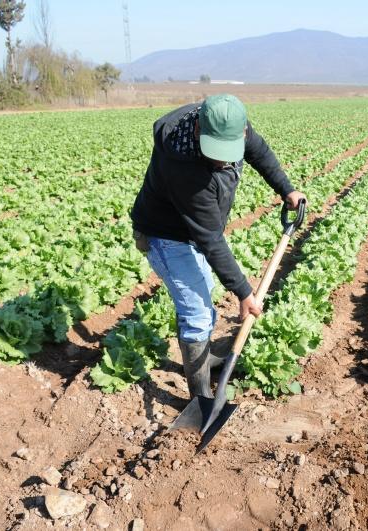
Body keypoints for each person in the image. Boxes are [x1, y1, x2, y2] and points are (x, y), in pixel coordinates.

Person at [130, 94, 305, 399]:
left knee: (204, 293)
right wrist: (243, 292)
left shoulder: (231, 122)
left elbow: (259, 151)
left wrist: (286, 189)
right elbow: (210, 238)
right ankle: (200, 397)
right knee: (197, 313)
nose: (223, 161)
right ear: (198, 130)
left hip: (191, 231)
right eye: (216, 153)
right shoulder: (183, 168)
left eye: (228, 152)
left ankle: (205, 357)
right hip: (165, 235)